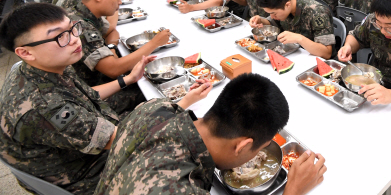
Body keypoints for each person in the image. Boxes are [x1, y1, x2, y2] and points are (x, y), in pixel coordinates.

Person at [0, 3, 157, 194]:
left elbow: (87, 95)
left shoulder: (39, 66)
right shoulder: (44, 106)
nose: (75, 40)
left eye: (72, 29)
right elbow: (122, 140)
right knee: (174, 141)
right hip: (85, 174)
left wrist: (129, 79)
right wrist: (182, 106)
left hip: (76, 150)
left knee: (145, 98)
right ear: (25, 52)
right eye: (60, 36)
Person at [94, 73, 325, 195]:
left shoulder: (153, 107)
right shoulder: (179, 189)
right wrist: (293, 191)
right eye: (260, 148)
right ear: (243, 146)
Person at [67, 0, 171, 114]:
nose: (120, 2)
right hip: (91, 95)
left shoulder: (86, 12)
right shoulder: (81, 26)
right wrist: (154, 43)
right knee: (154, 91)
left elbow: (111, 31)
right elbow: (114, 70)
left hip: (95, 82)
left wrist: (111, 48)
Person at [250, 0, 335, 59]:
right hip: (293, 54)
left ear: (287, 5)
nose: (271, 16)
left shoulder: (317, 12)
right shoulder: (284, 4)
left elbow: (327, 53)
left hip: (312, 59)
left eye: (274, 13)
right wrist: (261, 21)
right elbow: (273, 23)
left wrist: (299, 39)